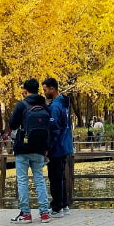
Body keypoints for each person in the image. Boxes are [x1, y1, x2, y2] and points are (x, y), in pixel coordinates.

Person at [7, 78, 51, 224]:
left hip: (23, 148)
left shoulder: (22, 105)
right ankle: (44, 213)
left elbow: (12, 124)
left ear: (25, 91)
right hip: (39, 148)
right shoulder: (44, 105)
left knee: (22, 180)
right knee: (39, 179)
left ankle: (26, 214)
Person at [43, 78, 73, 218]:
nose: (45, 93)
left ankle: (57, 207)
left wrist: (48, 147)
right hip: (65, 144)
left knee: (55, 177)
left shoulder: (55, 106)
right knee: (61, 177)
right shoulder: (65, 104)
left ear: (52, 89)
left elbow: (54, 128)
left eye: (45, 90)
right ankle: (64, 204)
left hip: (57, 146)